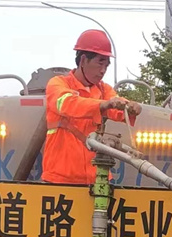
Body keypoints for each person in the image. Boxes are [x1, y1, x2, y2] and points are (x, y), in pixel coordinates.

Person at [42, 29, 142, 185]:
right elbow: (68, 104)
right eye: (100, 63)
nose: (103, 71)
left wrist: (131, 108)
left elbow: (117, 106)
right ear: (83, 60)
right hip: (61, 178)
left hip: (97, 179)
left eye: (106, 66)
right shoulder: (58, 84)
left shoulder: (104, 90)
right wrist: (102, 105)